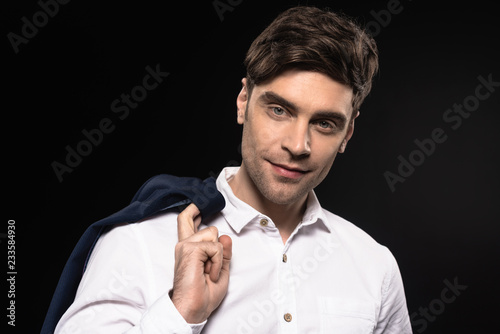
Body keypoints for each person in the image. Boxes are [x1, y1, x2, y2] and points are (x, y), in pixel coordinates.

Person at [54, 6, 412, 333]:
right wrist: (181, 313)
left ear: (348, 132)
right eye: (279, 110)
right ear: (244, 102)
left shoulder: (374, 266)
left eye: (324, 123)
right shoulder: (138, 243)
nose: (298, 145)